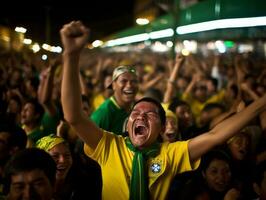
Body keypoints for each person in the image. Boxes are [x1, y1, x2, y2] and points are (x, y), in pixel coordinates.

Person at [60, 20, 266, 200]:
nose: (140, 115)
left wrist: (261, 102)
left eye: (149, 114)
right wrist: (71, 55)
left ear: (161, 129)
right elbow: (73, 116)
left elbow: (215, 135)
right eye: (135, 113)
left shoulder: (171, 154)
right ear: (128, 124)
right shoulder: (110, 146)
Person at [90, 62, 139, 136]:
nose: (129, 85)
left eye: (134, 81)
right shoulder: (103, 113)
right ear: (113, 85)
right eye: (123, 81)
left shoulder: (137, 108)